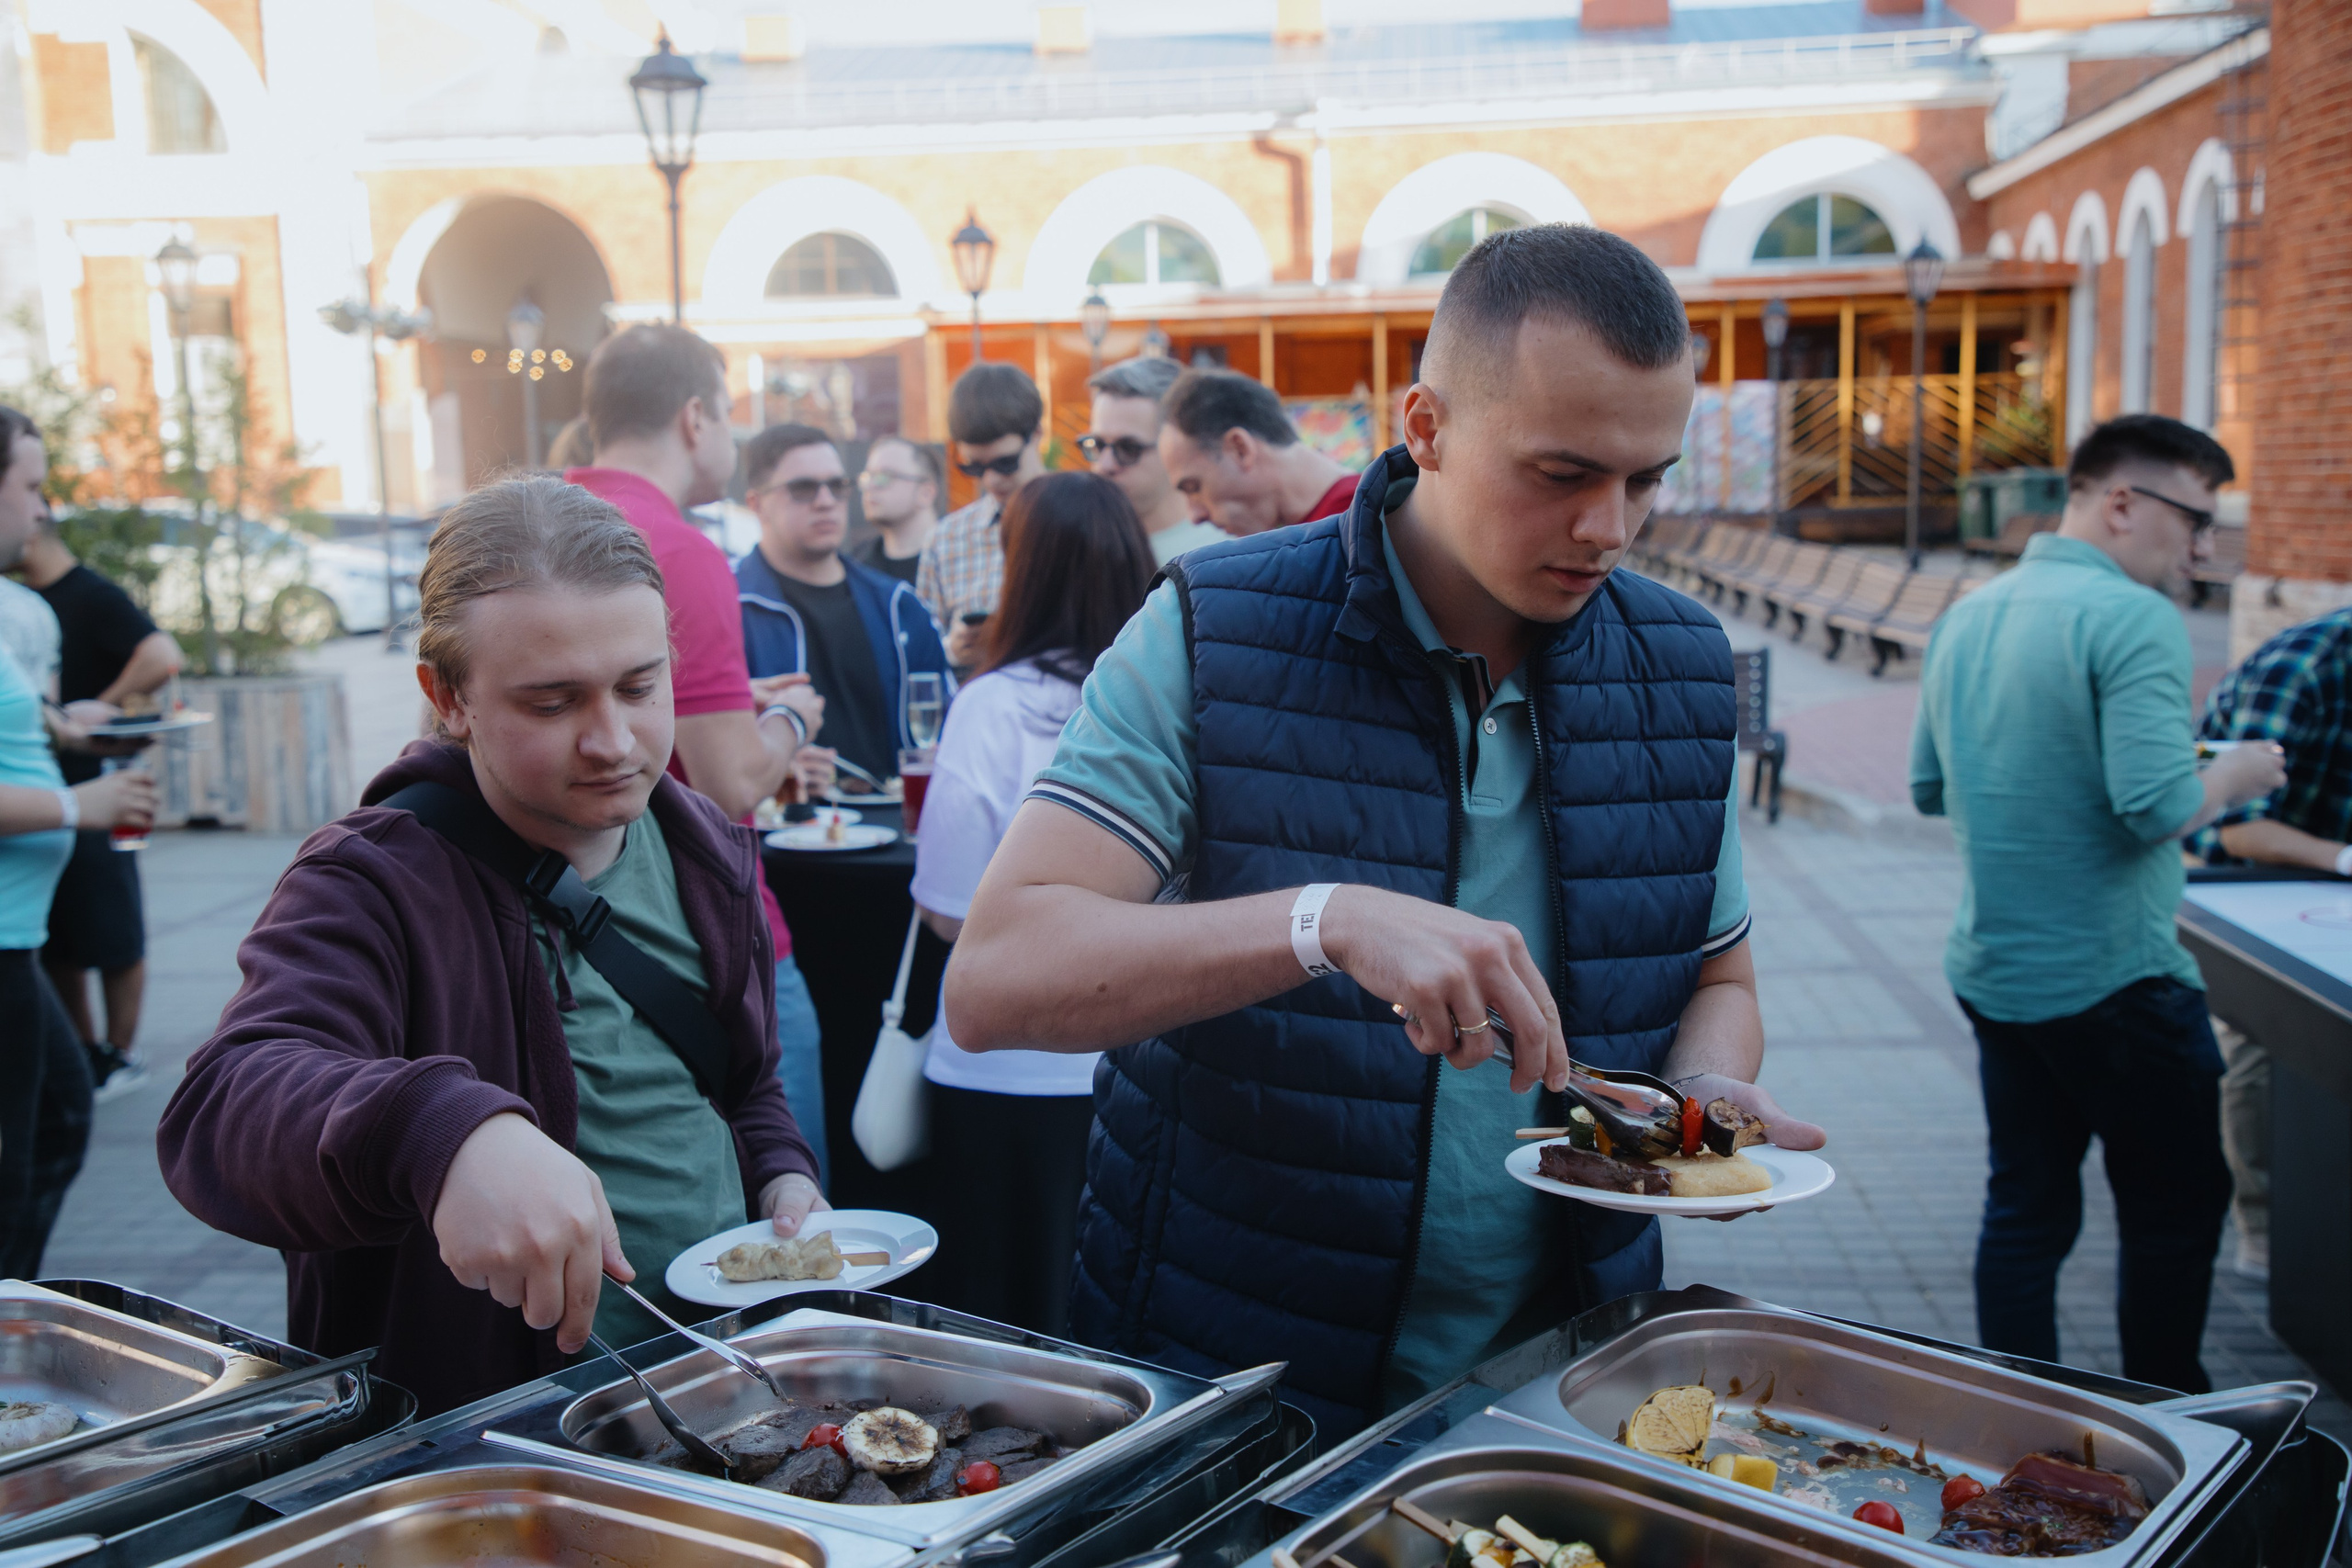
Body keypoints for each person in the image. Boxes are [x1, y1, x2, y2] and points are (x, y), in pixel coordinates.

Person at [943, 225, 1820, 1435]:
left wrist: (1701, 1103)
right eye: (1562, 474)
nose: (1608, 529)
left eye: (1645, 480)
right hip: (1238, 1377)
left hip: (1566, 1378)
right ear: (1426, 427)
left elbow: (1717, 972)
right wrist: (1326, 921)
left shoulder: (1677, 665)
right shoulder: (1215, 627)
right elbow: (994, 981)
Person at [158, 479, 826, 1416]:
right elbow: (223, 1102)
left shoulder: (704, 846)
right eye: (553, 703)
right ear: (450, 698)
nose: (612, 741)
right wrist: (443, 1133)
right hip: (498, 1432)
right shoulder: (370, 878)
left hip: (724, 1385)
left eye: (639, 687)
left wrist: (782, 1172)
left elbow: (743, 1084)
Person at [1910, 413, 2289, 1394]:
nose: (2200, 548)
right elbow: (2157, 807)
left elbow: (1930, 787)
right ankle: (2168, 1418)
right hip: (2120, 983)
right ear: (2121, 502)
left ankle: (2016, 1408)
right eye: (2195, 520)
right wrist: (2236, 773)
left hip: (1996, 974)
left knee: (2025, 1212)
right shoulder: (2134, 618)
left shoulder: (1969, 614)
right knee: (2177, 1211)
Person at [567, 325, 835, 1186]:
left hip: (570, 928)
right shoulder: (678, 548)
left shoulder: (547, 525)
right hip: (705, 929)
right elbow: (729, 782)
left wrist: (719, 698)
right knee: (789, 1209)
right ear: (694, 418)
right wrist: (790, 718)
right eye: (727, 412)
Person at [909, 471, 1153, 1337]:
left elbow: (946, 909)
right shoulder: (1172, 700)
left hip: (999, 1065)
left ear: (1024, 571)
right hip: (1137, 1063)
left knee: (998, 1330)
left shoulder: (990, 706)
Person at [0, 403, 154, 1278]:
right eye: (29, 486)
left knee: (59, 1119)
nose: (41, 509)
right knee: (28, 1153)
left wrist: (72, 728)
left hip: (17, 940)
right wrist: (77, 805)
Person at [2188, 605, 2352, 1280]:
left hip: (2326, 871)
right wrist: (2343, 858)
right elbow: (2237, 828)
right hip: (2232, 877)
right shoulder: (2300, 666)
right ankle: (2262, 1227)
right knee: (2258, 1041)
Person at [16, 509, 184, 1099]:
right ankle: (88, 1054)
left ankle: (119, 1053)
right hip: (45, 792)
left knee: (114, 927)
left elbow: (163, 655)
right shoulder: (22, 601)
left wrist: (94, 712)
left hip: (99, 788)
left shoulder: (92, 595)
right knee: (61, 935)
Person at [736, 424, 954, 787]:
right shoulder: (731, 606)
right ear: (757, 504)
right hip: (784, 817)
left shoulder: (898, 605)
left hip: (893, 816)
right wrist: (774, 760)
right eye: (803, 488)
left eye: (837, 486)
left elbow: (950, 727)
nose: (826, 501)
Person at [917, 363, 1046, 669]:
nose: (991, 480)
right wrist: (953, 649)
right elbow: (922, 654)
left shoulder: (1087, 520)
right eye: (973, 466)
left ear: (1037, 434)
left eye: (1005, 463)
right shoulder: (946, 538)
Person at [1157, 367, 1359, 538]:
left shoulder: (1359, 524)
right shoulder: (1353, 519)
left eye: (1194, 488)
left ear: (1240, 449)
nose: (1195, 516)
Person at [1080, 356, 1223, 566]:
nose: (1105, 465)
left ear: (1178, 449)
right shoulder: (1079, 546)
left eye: (1128, 448)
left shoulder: (1219, 556)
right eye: (1097, 444)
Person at [853, 436, 941, 586]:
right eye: (867, 477)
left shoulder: (958, 560)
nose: (870, 486)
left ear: (926, 493)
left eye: (884, 476)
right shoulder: (858, 567)